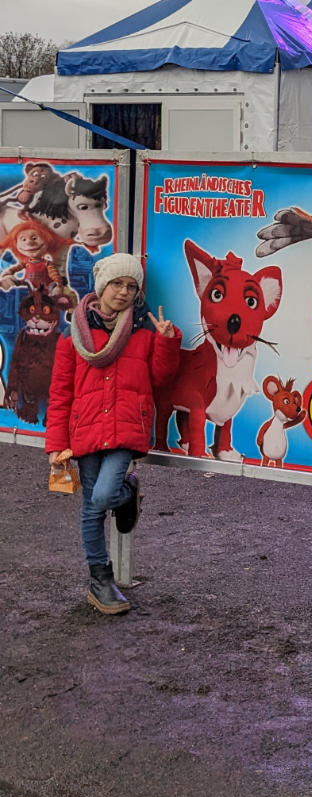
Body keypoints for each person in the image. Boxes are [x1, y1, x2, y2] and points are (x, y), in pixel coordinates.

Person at [45, 253, 181, 615]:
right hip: (86, 430)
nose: (123, 292)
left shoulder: (143, 330)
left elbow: (160, 379)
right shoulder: (73, 335)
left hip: (125, 429)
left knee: (103, 495)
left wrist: (167, 341)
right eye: (117, 284)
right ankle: (100, 581)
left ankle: (126, 492)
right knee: (91, 509)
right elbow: (60, 394)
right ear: (102, 285)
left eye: (131, 287)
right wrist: (56, 444)